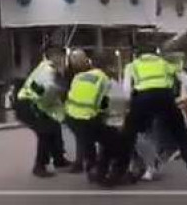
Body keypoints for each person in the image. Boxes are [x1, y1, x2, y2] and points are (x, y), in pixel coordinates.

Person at [111, 45, 187, 185]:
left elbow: (126, 91)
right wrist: (182, 95)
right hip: (165, 97)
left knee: (128, 136)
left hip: (142, 99)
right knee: (182, 136)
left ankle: (118, 172)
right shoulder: (165, 64)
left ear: (137, 55)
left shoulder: (132, 66)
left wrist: (131, 108)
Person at [64, 49, 121, 184]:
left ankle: (91, 169)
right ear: (107, 66)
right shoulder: (103, 79)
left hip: (71, 116)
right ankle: (99, 171)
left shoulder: (78, 77)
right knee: (110, 141)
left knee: (87, 142)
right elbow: (105, 103)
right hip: (87, 118)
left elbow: (71, 94)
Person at [16, 46, 71, 177]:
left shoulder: (45, 68)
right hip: (28, 104)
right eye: (63, 57)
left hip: (31, 103)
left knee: (54, 128)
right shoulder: (48, 71)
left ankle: (59, 159)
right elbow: (47, 93)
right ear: (55, 57)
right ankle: (39, 166)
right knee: (45, 133)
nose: (64, 60)